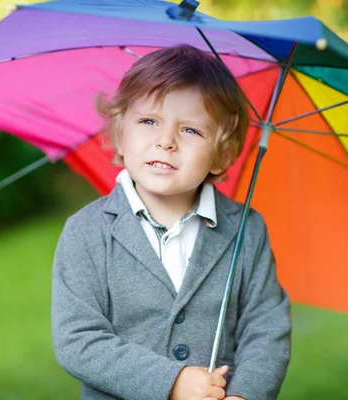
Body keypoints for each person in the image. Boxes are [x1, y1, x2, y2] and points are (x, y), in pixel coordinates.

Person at [52, 44, 291, 400]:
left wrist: (246, 394)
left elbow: (265, 326)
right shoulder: (86, 232)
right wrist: (172, 381)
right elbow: (78, 339)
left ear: (220, 153)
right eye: (149, 121)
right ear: (119, 132)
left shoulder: (246, 229)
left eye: (191, 131)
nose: (166, 142)